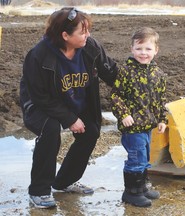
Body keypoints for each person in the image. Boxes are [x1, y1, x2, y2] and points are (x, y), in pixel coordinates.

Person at [19, 7, 118, 209]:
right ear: (65, 35)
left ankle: (64, 182)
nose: (88, 36)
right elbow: (40, 97)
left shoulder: (90, 47)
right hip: (40, 104)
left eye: (88, 30)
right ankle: (39, 191)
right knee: (50, 129)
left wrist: (138, 90)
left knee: (91, 131)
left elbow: (112, 74)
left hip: (74, 100)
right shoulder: (38, 56)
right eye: (83, 32)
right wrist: (69, 119)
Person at [111, 27, 167, 207]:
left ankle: (142, 188)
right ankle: (131, 192)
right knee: (136, 158)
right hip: (132, 127)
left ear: (156, 50)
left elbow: (161, 99)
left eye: (148, 49)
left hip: (148, 125)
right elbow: (115, 96)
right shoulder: (126, 72)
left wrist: (162, 120)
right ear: (132, 49)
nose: (143, 53)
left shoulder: (158, 74)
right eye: (139, 48)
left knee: (145, 157)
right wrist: (124, 114)